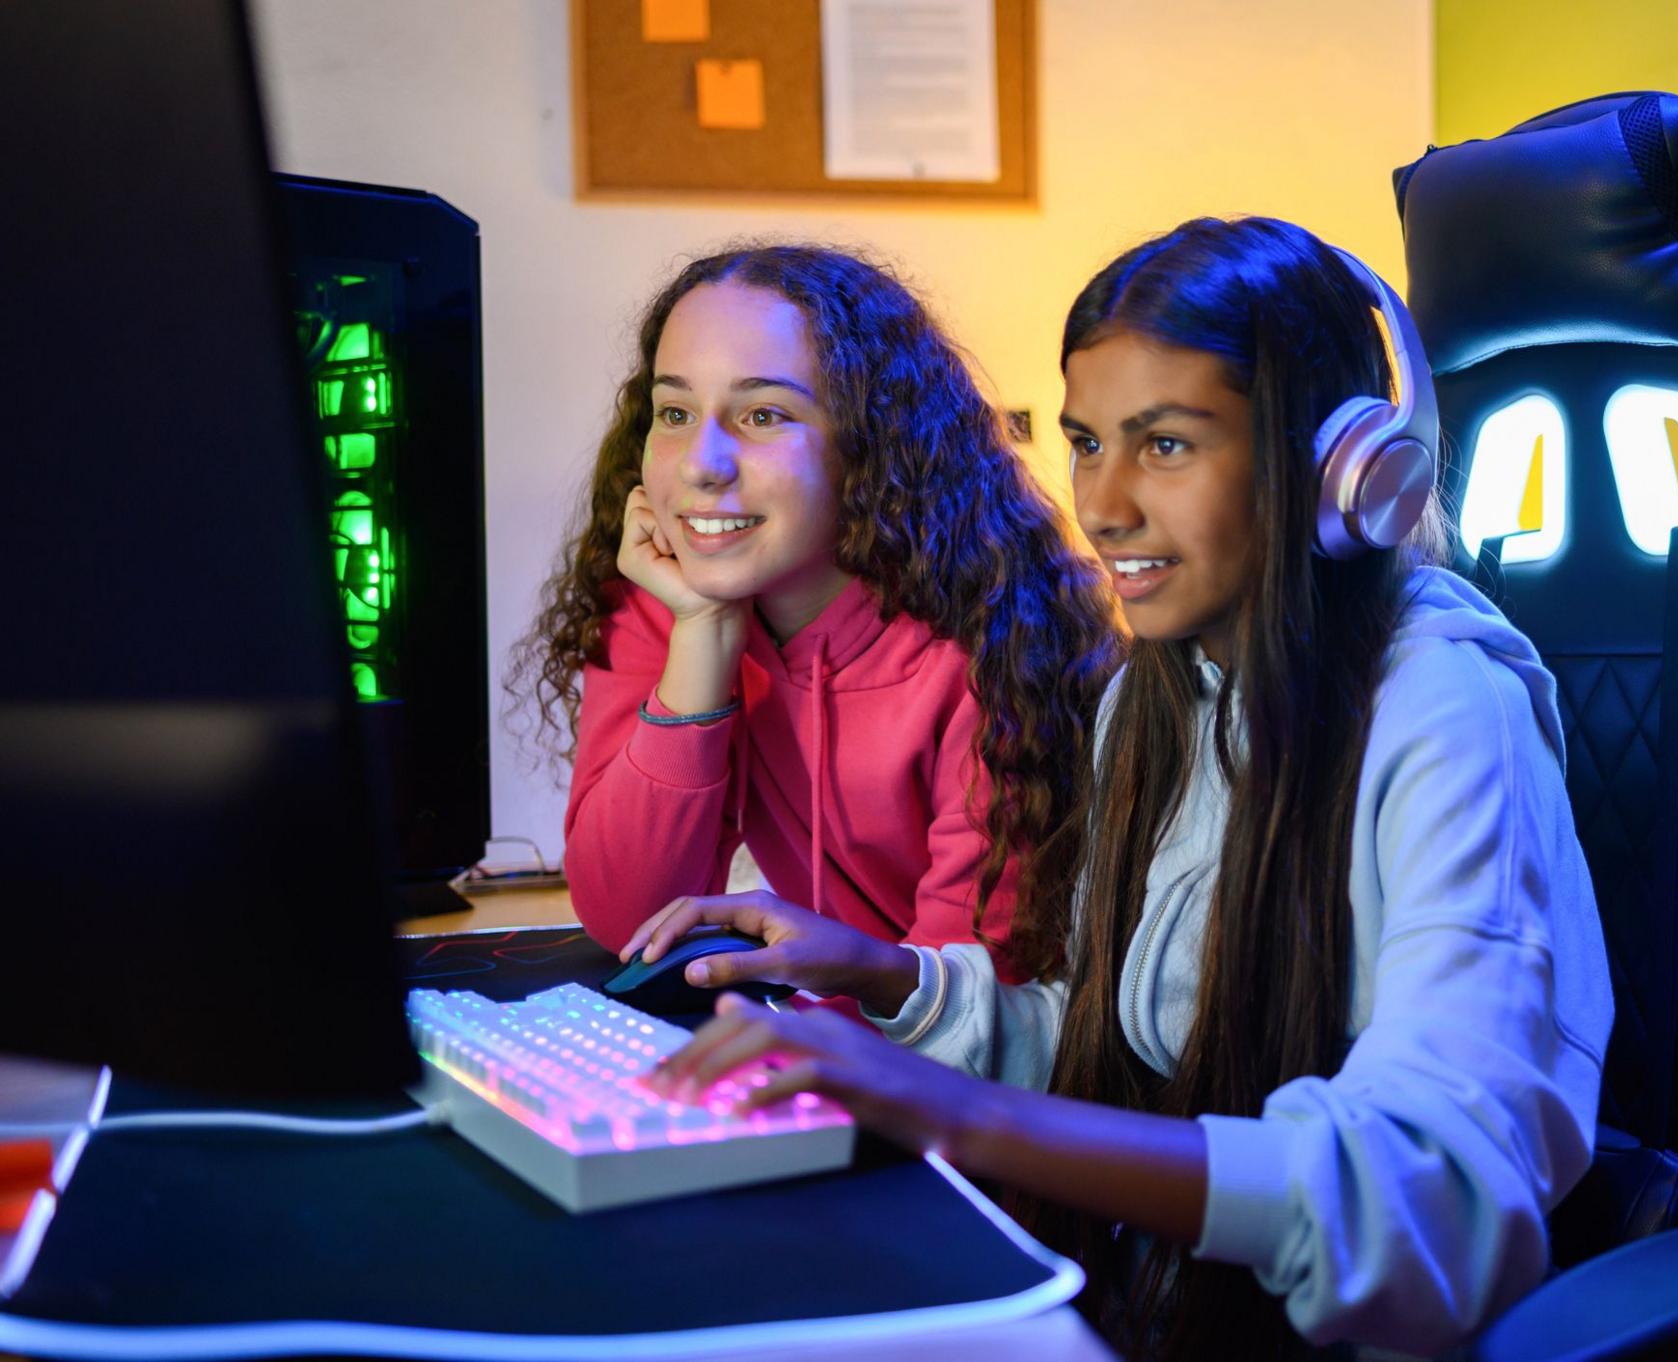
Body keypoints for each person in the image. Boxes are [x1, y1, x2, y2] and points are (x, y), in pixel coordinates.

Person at [639, 218, 1612, 1358]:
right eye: (1086, 442)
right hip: (1170, 1313)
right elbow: (1127, 1040)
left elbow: (1425, 1195)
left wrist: (954, 1110)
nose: (1099, 505)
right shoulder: (1158, 695)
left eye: (1163, 445)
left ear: (1338, 469)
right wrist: (884, 976)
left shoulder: (1447, 714)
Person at [510, 244, 1121, 988]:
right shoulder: (669, 602)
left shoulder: (997, 645)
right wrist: (701, 635)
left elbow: (975, 1002)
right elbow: (627, 918)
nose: (702, 463)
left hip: (979, 1077)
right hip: (829, 1046)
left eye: (763, 415)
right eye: (674, 412)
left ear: (868, 444)